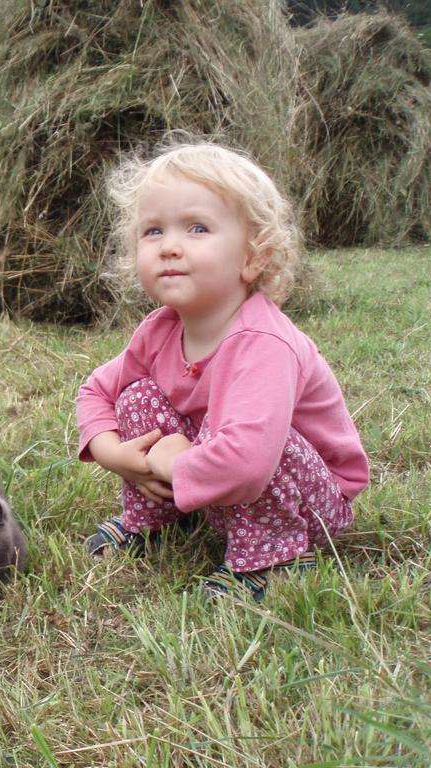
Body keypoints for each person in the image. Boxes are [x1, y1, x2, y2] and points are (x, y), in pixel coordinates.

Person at [76, 140, 368, 601]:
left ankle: (277, 555)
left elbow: (249, 463)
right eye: (153, 231)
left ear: (254, 256)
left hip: (307, 499)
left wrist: (171, 460)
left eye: (197, 228)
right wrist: (115, 453)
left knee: (229, 425)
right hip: (213, 475)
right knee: (135, 395)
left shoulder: (262, 342)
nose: (169, 246)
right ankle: (153, 520)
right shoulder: (159, 330)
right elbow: (96, 391)